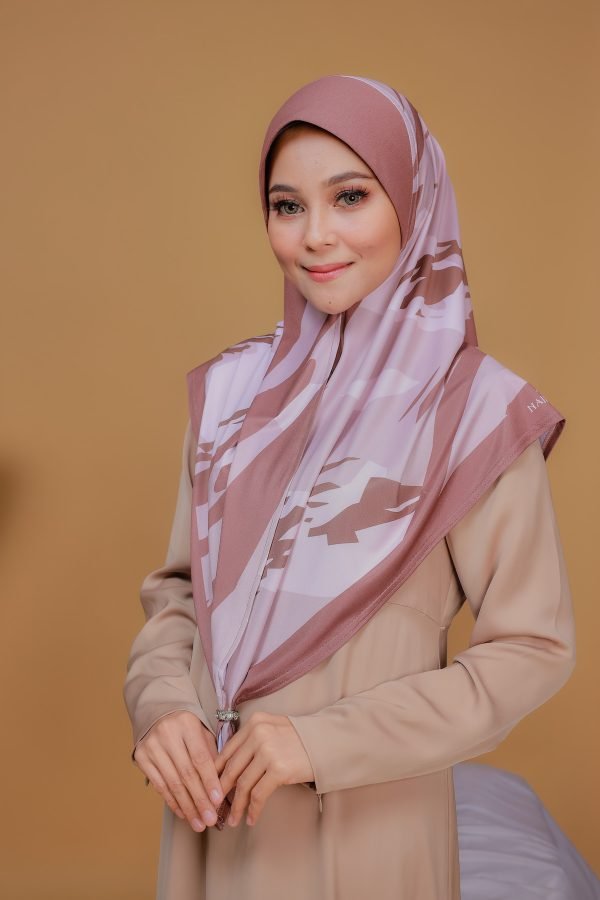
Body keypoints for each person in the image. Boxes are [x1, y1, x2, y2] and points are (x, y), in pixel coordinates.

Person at [123, 74, 576, 900]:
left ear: (414, 200)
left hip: (368, 840)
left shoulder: (474, 413)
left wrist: (322, 743)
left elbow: (530, 651)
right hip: (211, 830)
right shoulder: (230, 398)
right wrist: (164, 708)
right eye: (287, 206)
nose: (316, 236)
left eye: (351, 196)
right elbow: (181, 598)